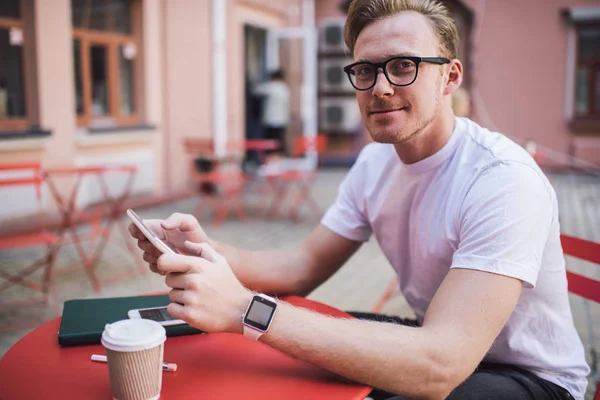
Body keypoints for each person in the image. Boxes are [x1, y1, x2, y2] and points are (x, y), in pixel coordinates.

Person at [129, 1, 589, 399]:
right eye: (366, 70)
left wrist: (245, 310)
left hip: (529, 376)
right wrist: (203, 252)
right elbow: (301, 268)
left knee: (277, 330)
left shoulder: (502, 180)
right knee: (286, 349)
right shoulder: (374, 165)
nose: (381, 88)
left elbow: (440, 366)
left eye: (404, 65)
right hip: (436, 342)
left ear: (449, 77)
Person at [253, 69, 291, 157]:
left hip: (270, 120)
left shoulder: (271, 87)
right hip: (281, 121)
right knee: (278, 143)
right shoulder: (285, 89)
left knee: (268, 144)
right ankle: (277, 158)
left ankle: (269, 158)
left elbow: (256, 91)